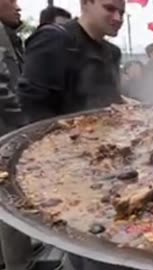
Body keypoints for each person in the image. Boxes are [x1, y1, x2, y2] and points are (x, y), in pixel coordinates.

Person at [18, 0, 125, 123]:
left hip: (114, 135)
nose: (118, 18)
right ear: (85, 3)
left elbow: (111, 100)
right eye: (109, 9)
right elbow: (32, 107)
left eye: (121, 12)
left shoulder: (113, 52)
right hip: (61, 138)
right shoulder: (54, 40)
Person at [0, 1, 42, 269]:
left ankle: (16, 252)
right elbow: (2, 89)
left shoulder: (10, 36)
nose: (18, 7)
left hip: (9, 126)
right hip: (6, 129)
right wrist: (27, 124)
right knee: (8, 198)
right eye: (11, 1)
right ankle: (19, 263)